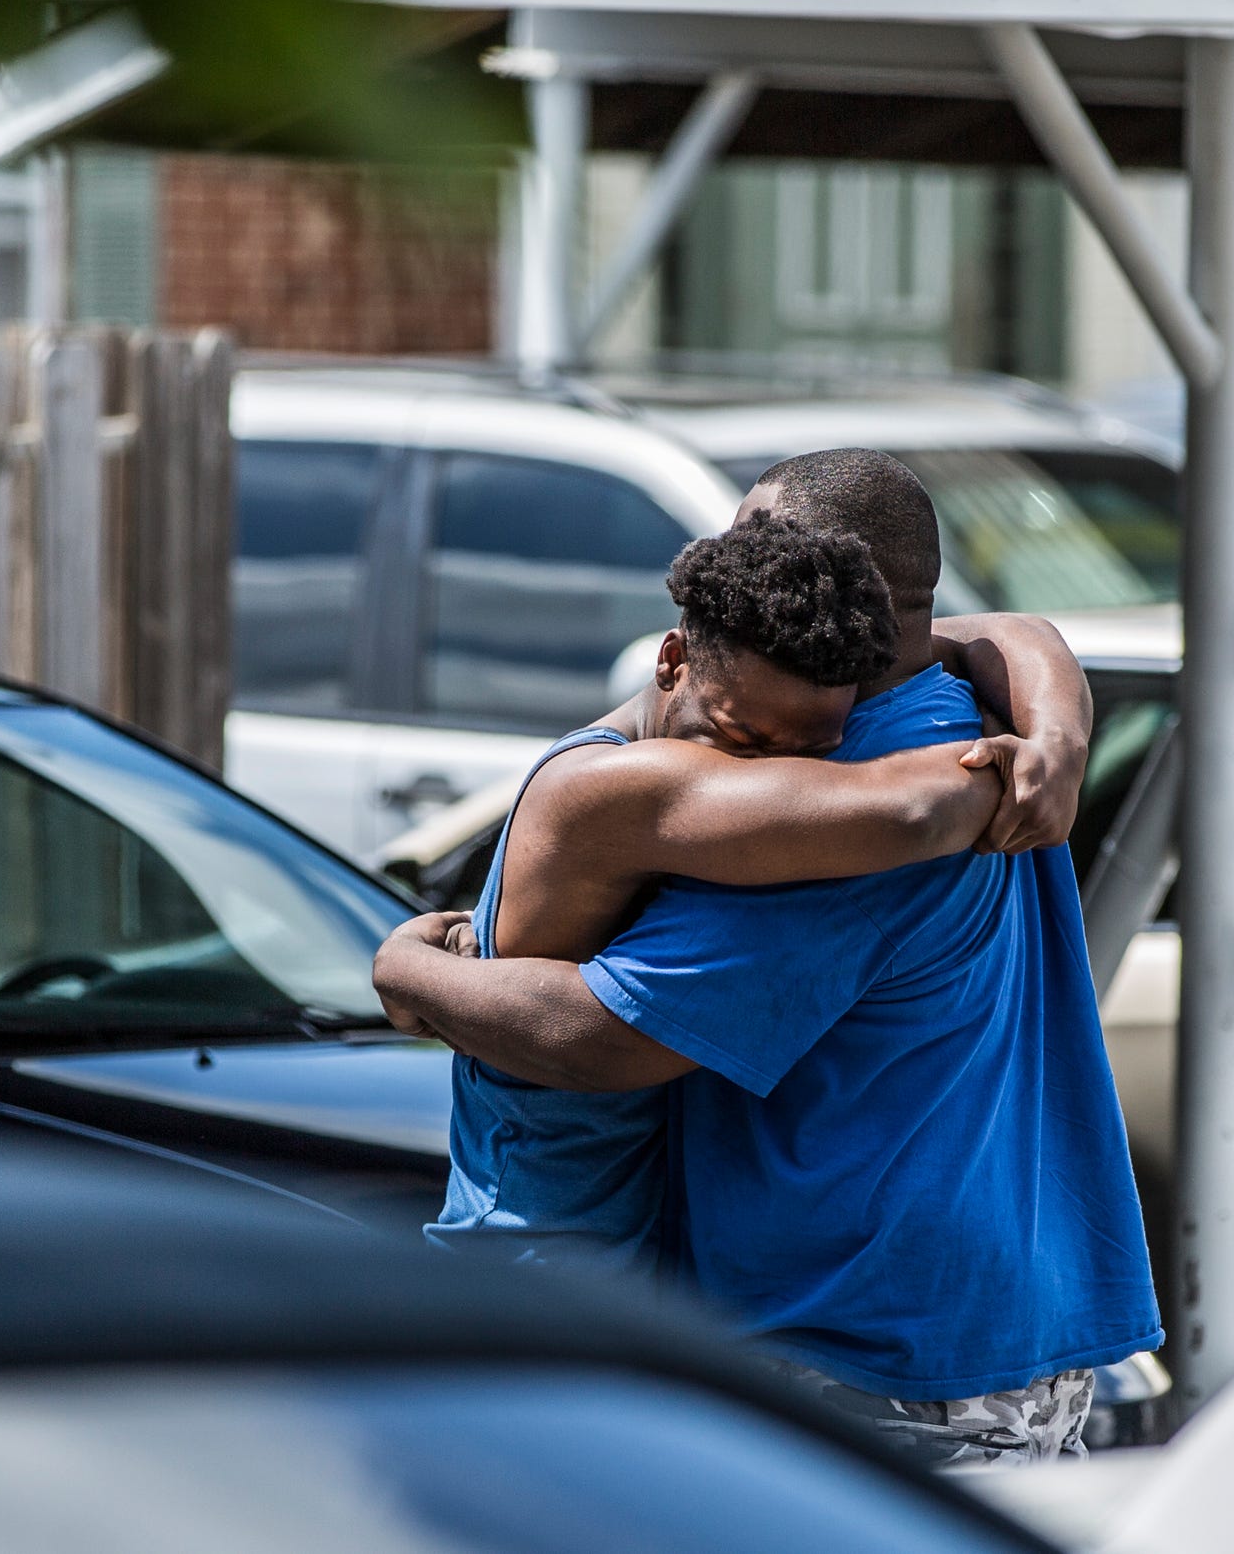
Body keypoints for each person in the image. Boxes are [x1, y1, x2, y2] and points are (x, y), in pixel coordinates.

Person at [378, 448, 1160, 1468]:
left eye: (764, 545)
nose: (740, 568)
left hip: (872, 1355)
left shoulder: (842, 779)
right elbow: (993, 645)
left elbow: (605, 1038)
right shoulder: (913, 733)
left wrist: (409, 970)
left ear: (863, 604)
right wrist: (1048, 739)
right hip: (935, 1329)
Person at [423, 506, 1081, 1271]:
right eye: (743, 741)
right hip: (533, 1261)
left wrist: (1056, 730)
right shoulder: (613, 786)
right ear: (671, 661)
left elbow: (986, 631)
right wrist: (1023, 771)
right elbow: (911, 809)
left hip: (622, 1270)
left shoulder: (721, 708)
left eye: (811, 755)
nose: (765, 780)